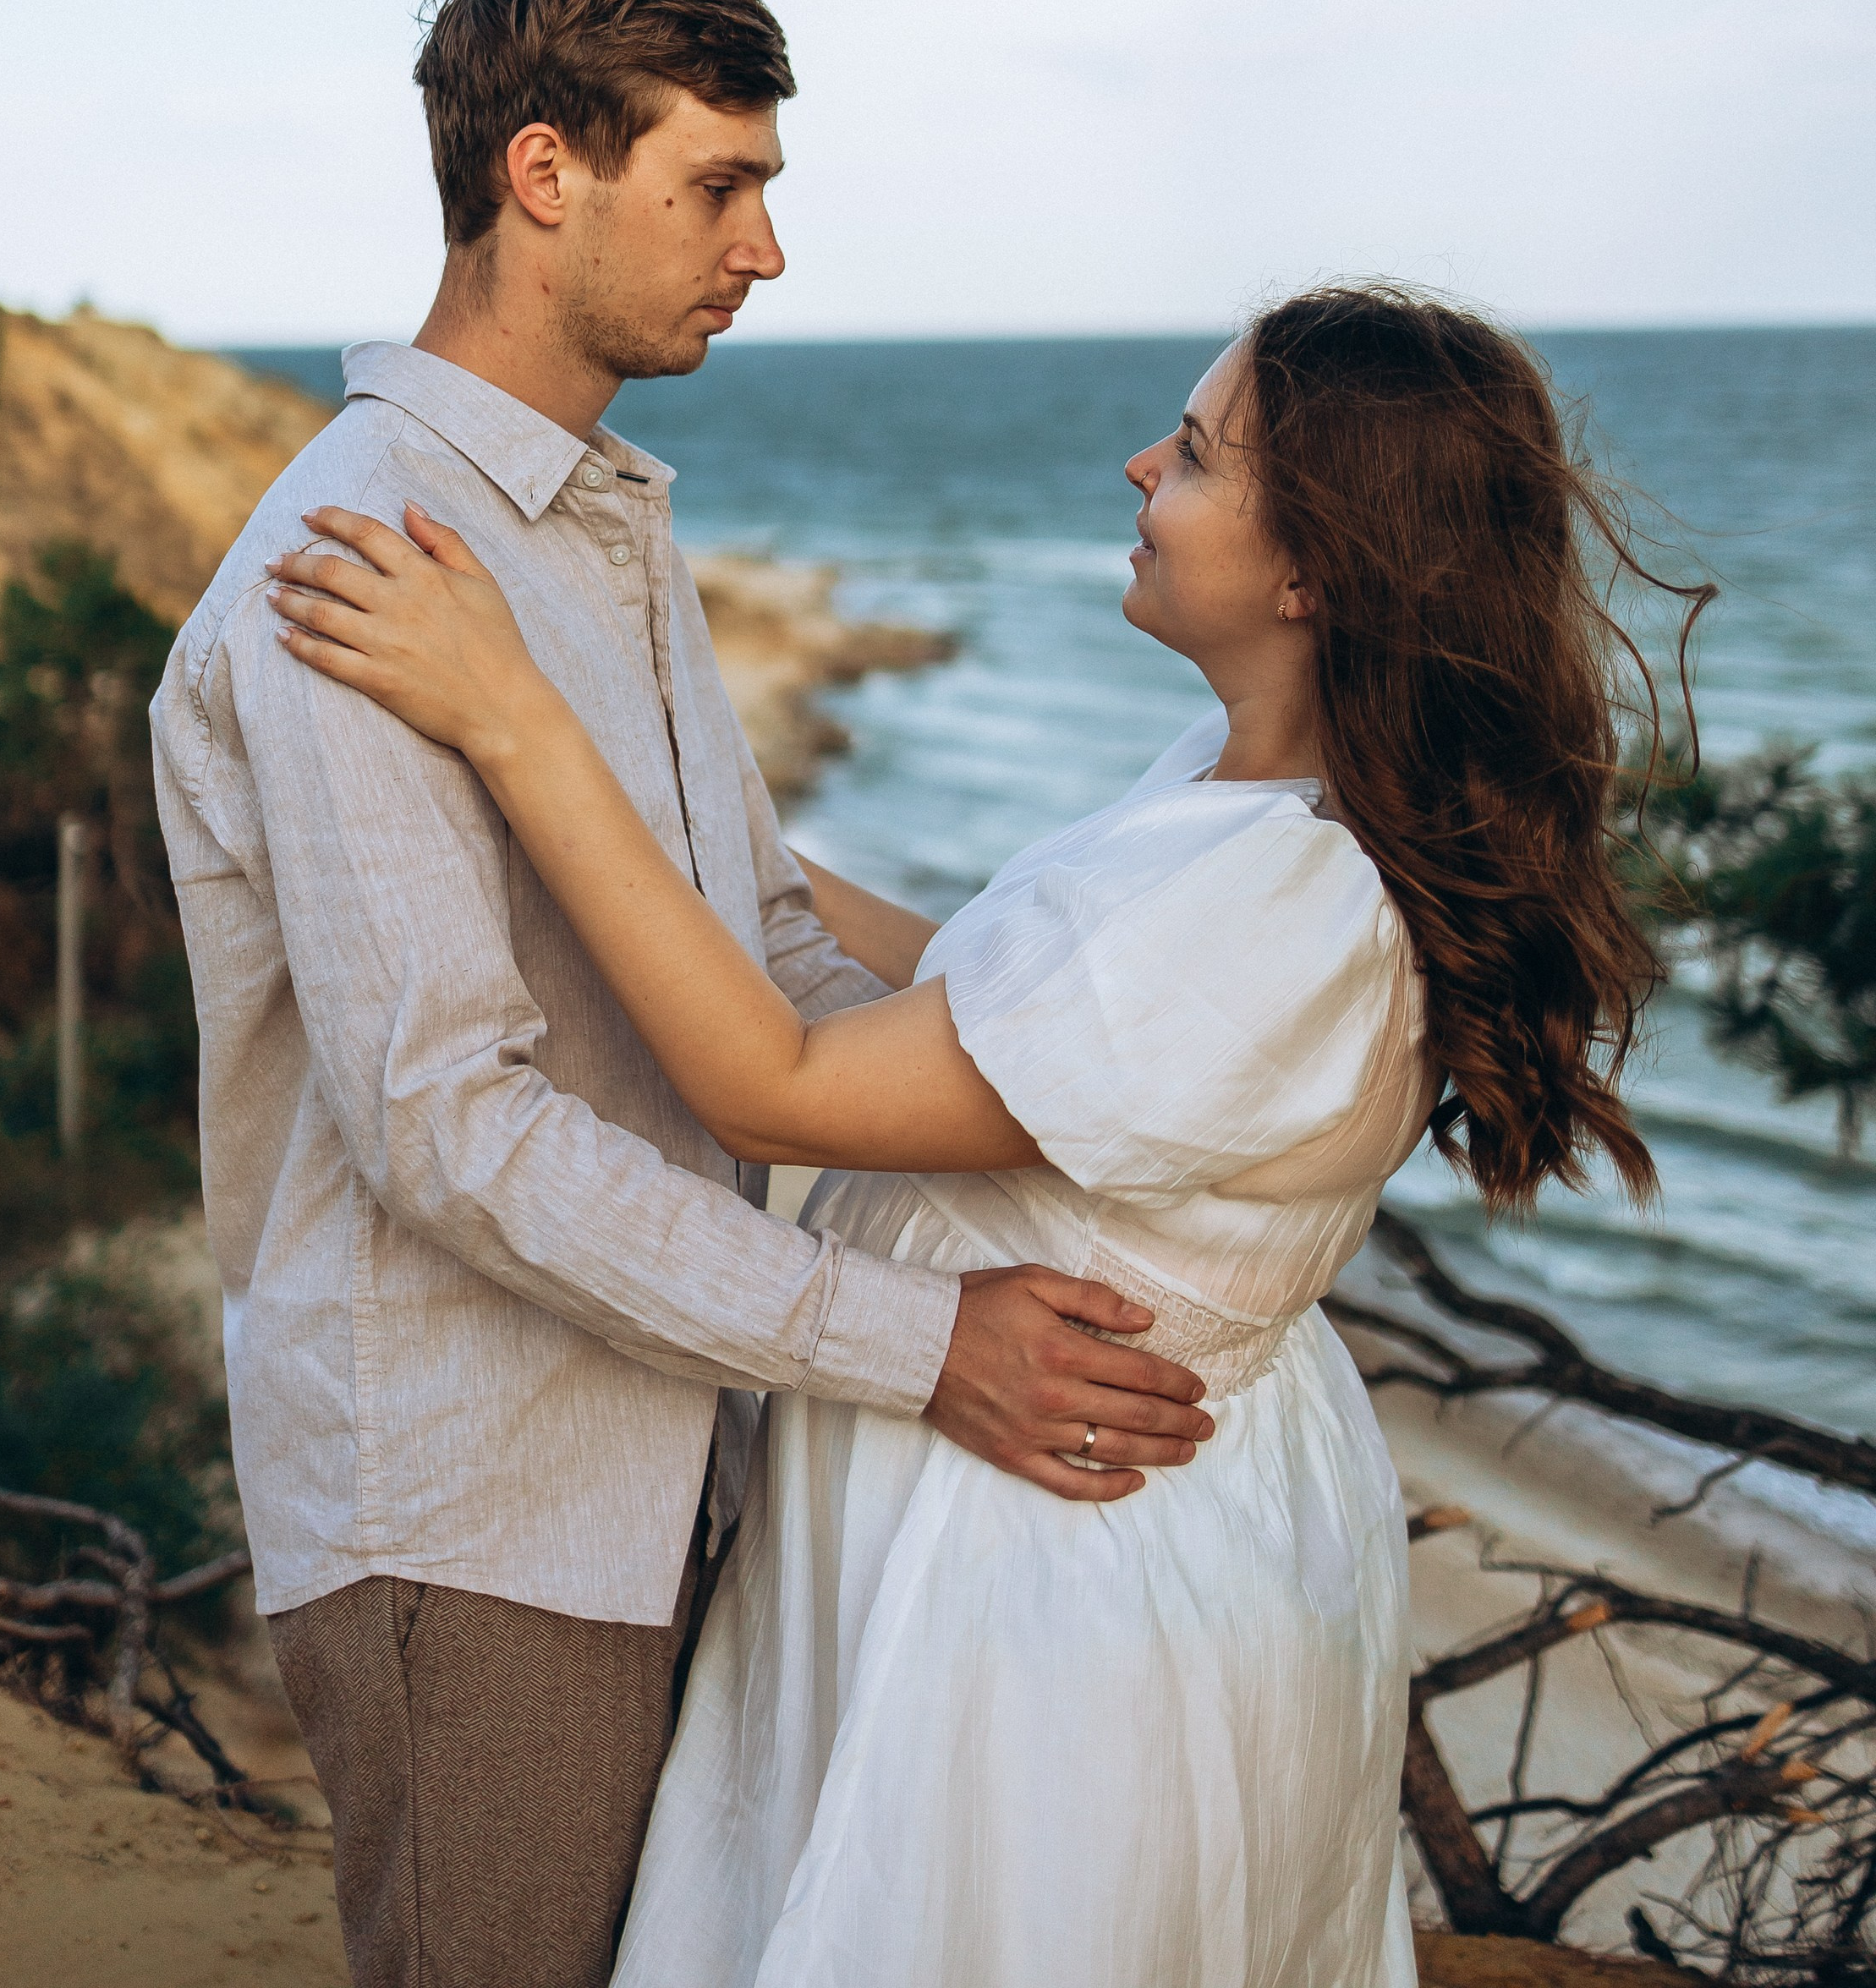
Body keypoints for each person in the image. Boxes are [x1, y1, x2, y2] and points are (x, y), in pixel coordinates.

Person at [264, 283, 1686, 1988]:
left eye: (1199, 454)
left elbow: (778, 1085)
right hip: (1039, 1522)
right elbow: (990, 997)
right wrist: (674, 827)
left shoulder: (1283, 903)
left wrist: (515, 722)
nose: (1140, 463)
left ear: (1316, 570)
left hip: (1049, 1575)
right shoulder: (1247, 794)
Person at [150, 0, 1210, 1988]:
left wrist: (1103, 1089)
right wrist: (922, 1347)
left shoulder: (600, 522)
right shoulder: (355, 559)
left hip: (681, 1464)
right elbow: (448, 1131)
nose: (766, 249)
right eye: (720, 186)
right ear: (543, 172)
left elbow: (770, 946)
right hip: (476, 1505)